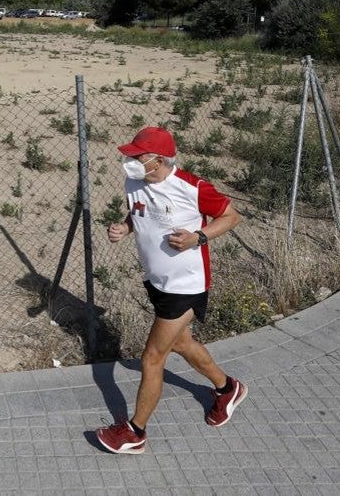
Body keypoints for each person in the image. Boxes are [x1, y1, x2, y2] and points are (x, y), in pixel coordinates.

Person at [95, 126, 247, 455]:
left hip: (186, 285)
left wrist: (199, 237)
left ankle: (135, 432)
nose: (130, 160)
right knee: (180, 342)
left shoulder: (193, 188)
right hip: (157, 281)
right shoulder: (133, 182)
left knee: (152, 358)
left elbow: (232, 217)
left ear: (159, 159)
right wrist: (125, 226)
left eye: (138, 156)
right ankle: (227, 388)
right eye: (130, 154)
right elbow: (139, 213)